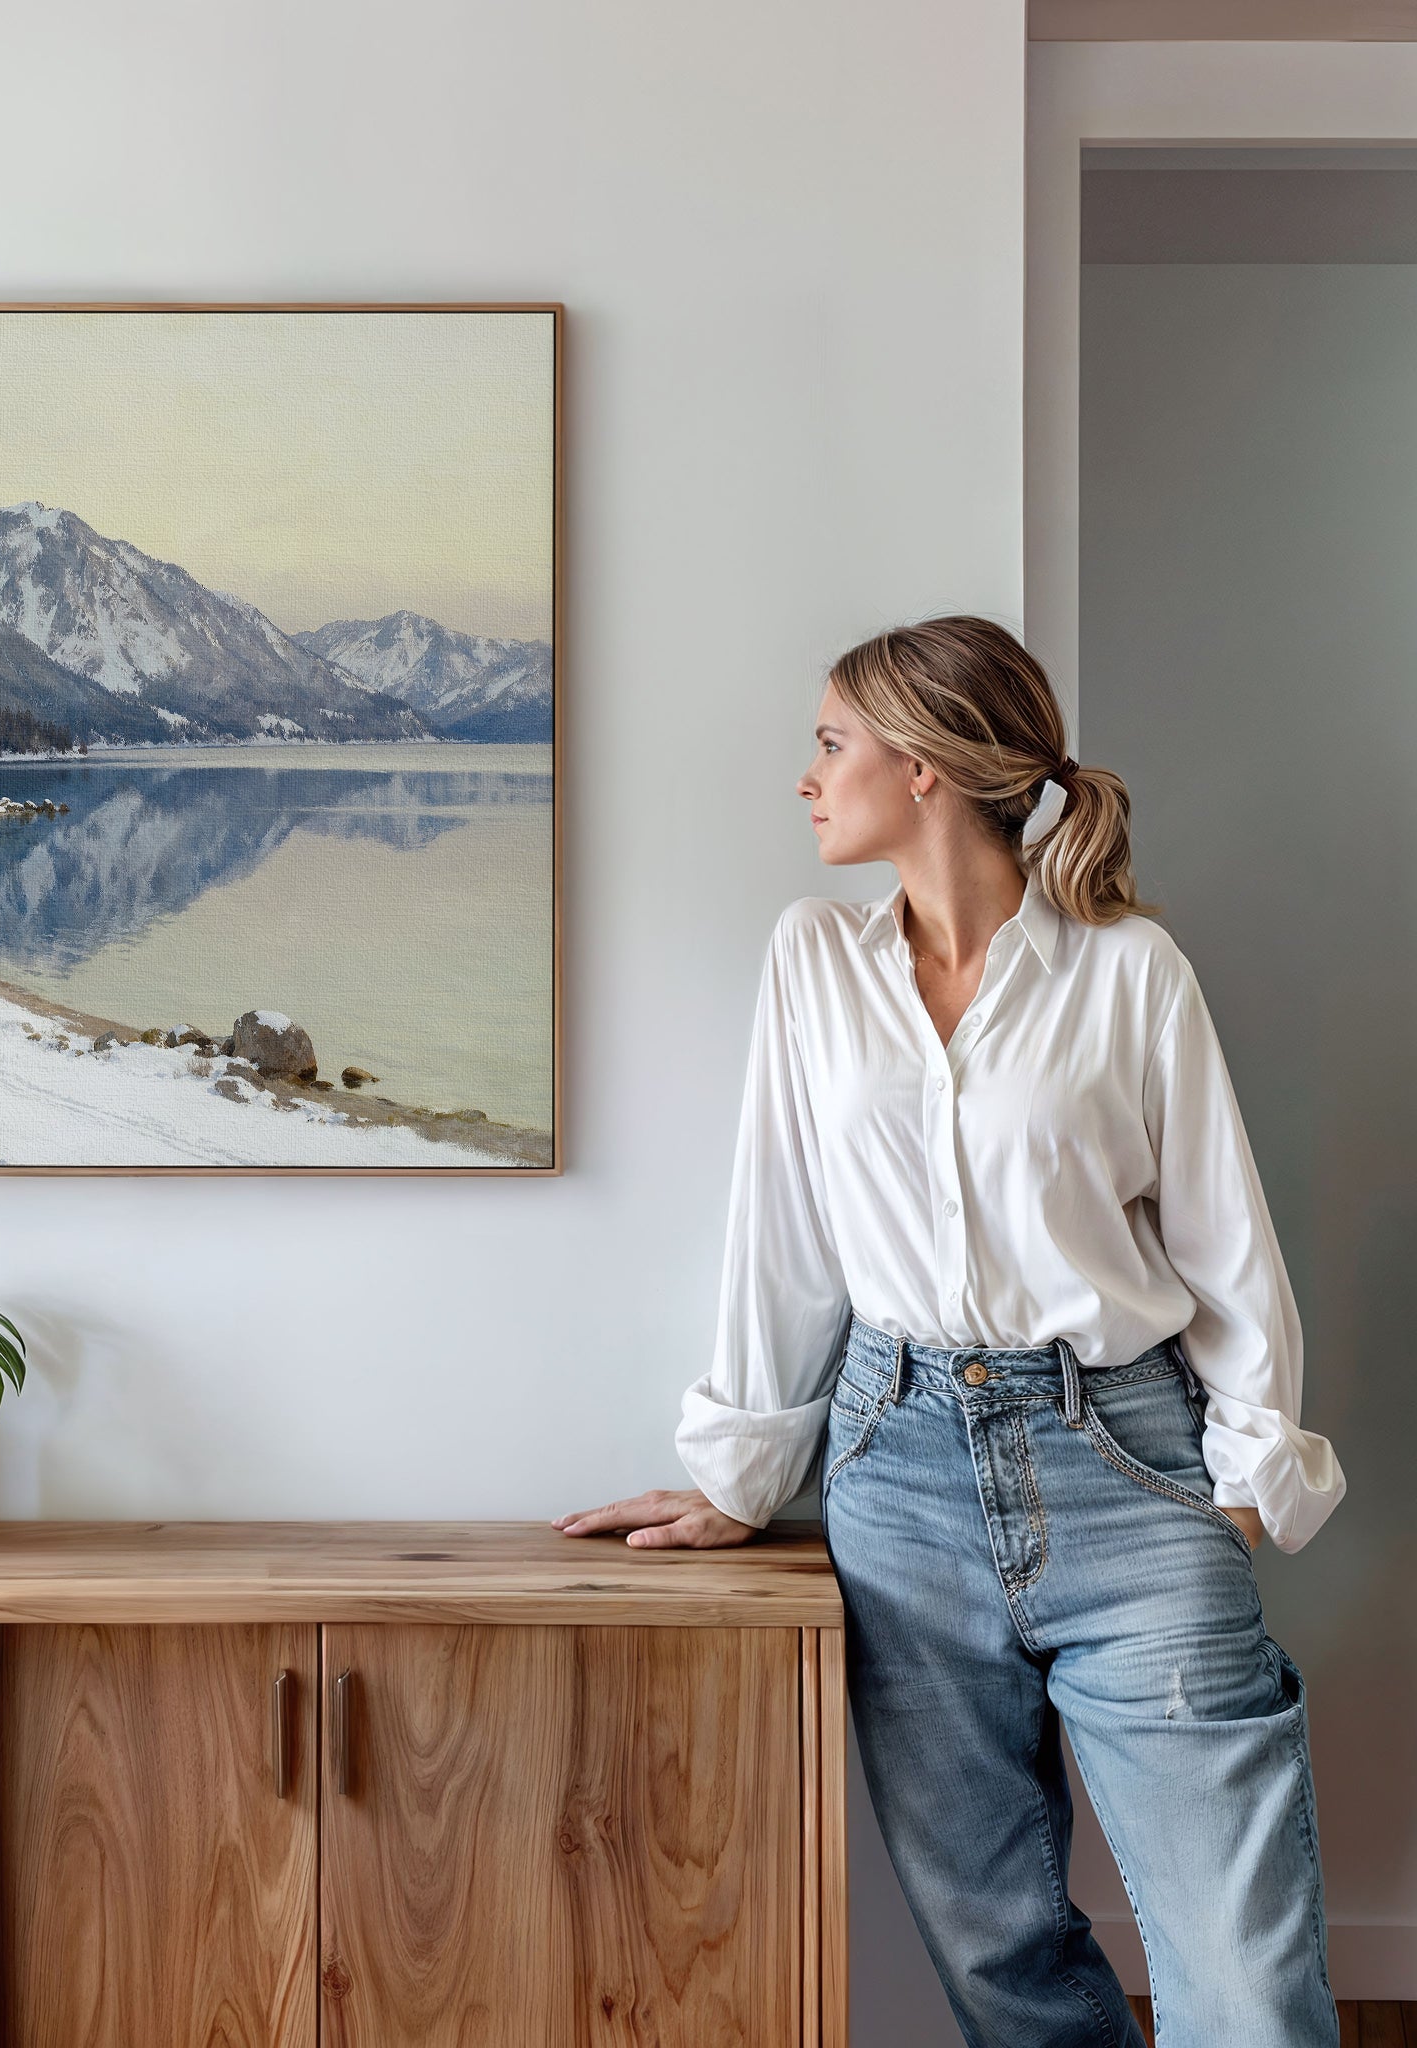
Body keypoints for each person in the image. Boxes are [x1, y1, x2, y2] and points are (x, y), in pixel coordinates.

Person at [554, 616, 1346, 2047]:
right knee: (1000, 1957)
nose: (807, 778)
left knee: (1243, 1977)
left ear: (923, 767)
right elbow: (783, 1234)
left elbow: (1227, 1244)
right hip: (898, 1476)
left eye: (830, 743)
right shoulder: (813, 960)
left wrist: (1240, 1487)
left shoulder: (1130, 971)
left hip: (1126, 1463)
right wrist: (742, 1473)